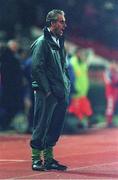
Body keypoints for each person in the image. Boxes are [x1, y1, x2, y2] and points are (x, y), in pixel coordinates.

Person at [30, 9, 70, 171]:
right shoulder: (41, 43)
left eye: (64, 21)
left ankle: (48, 159)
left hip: (60, 91)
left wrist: (66, 85)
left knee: (55, 125)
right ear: (51, 23)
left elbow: (63, 67)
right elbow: (36, 69)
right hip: (46, 92)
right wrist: (47, 90)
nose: (64, 25)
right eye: (61, 21)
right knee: (41, 124)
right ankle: (35, 159)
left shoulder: (59, 41)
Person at [68, 48, 93, 128]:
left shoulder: (83, 63)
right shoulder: (72, 62)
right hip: (76, 91)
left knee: (85, 108)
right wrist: (73, 88)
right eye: (81, 53)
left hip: (83, 91)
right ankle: (77, 123)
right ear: (77, 53)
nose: (83, 55)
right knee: (76, 109)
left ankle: (83, 122)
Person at [103, 61, 118, 128]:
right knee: (110, 107)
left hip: (115, 92)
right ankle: (108, 121)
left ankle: (110, 121)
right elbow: (108, 82)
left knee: (112, 107)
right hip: (110, 93)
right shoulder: (108, 72)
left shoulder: (115, 72)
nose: (114, 65)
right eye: (113, 63)